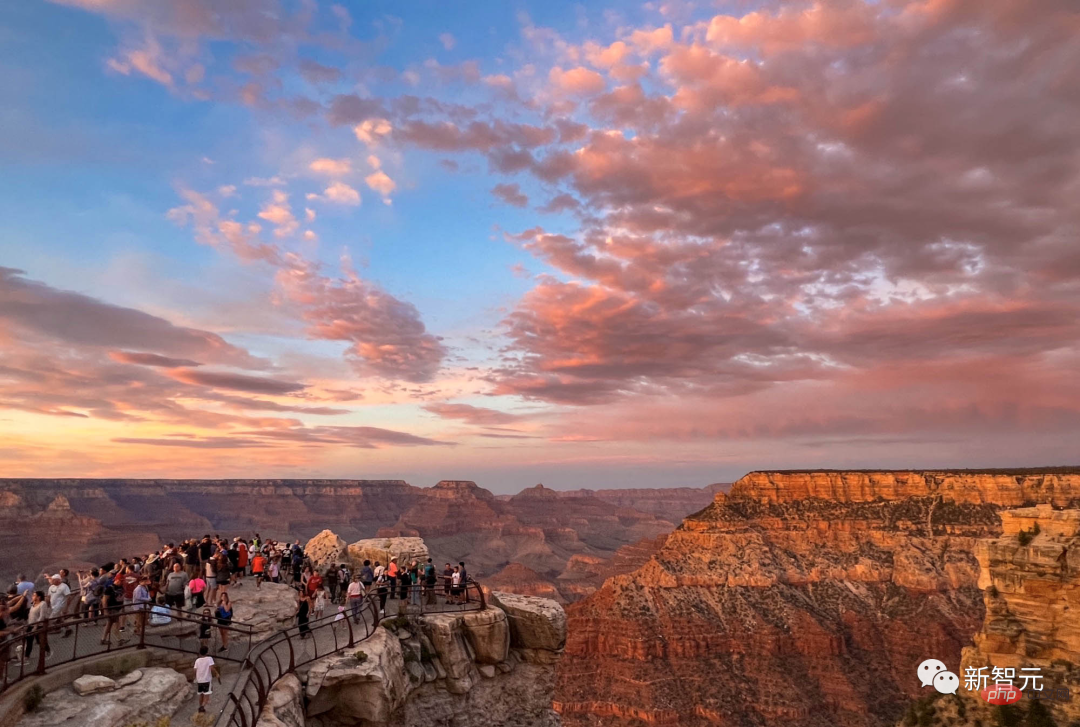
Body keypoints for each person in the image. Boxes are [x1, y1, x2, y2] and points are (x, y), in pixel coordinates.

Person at [193, 645, 219, 714]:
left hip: (200, 680)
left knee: (201, 694)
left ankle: (201, 708)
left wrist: (196, 677)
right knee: (206, 697)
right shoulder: (209, 659)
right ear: (207, 652)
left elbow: (195, 670)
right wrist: (216, 673)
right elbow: (212, 668)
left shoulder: (197, 660)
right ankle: (202, 707)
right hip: (206, 680)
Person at [25, 590, 48, 659]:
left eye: (34, 595)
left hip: (38, 626)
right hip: (30, 625)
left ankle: (47, 650)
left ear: (39, 597)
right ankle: (27, 656)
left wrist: (36, 626)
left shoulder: (43, 604)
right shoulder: (33, 603)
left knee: (40, 640)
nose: (32, 597)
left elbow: (42, 616)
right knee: (29, 640)